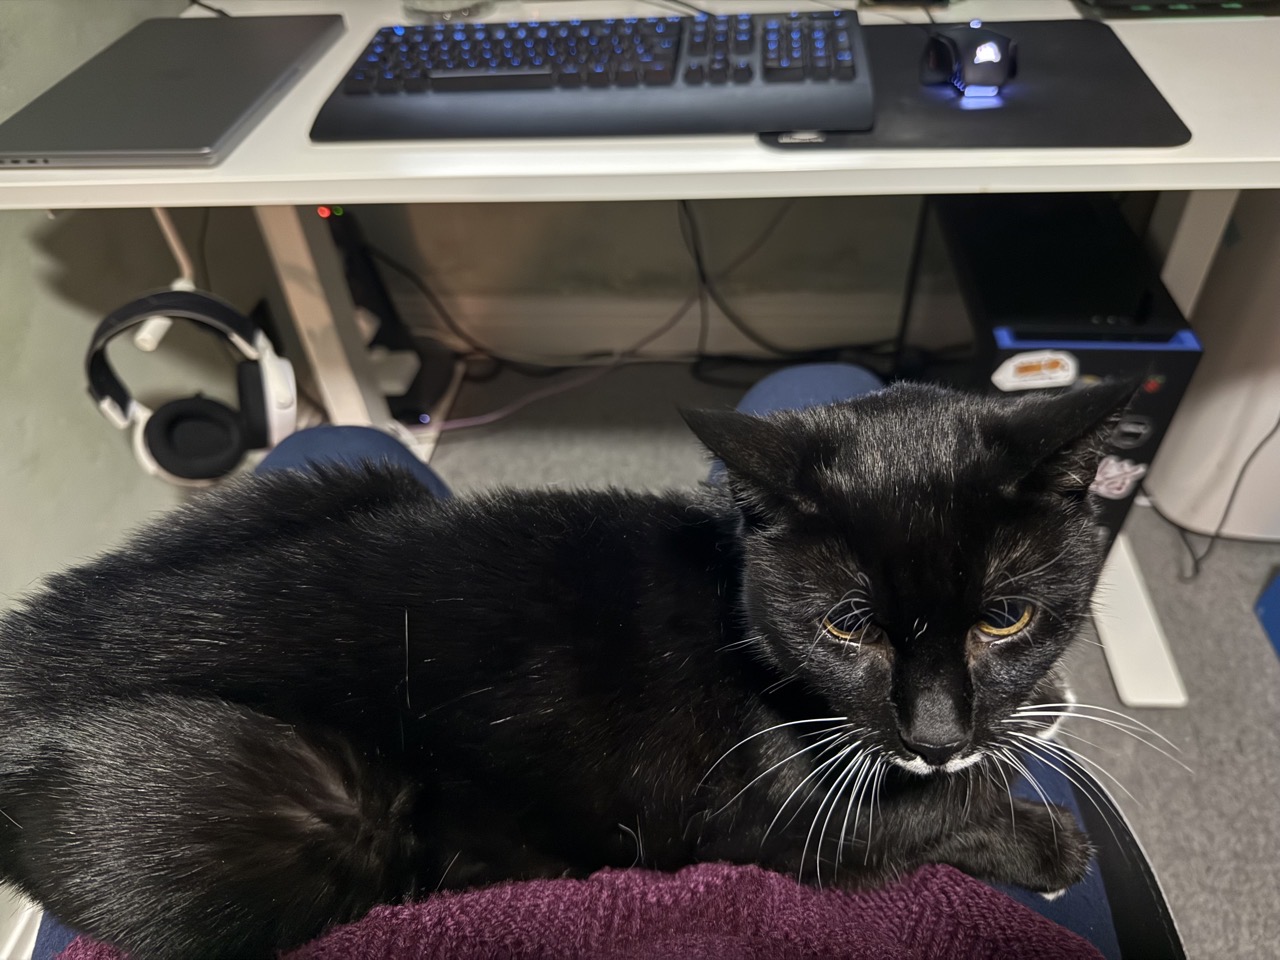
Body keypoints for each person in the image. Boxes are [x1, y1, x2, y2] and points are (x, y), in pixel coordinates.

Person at [31, 364, 1118, 960]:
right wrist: (985, 815)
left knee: (355, 477)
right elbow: (822, 845)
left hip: (282, 615)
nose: (935, 729)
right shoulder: (766, 622)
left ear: (1073, 498)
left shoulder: (797, 565)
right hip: (214, 767)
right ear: (758, 512)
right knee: (276, 822)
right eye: (851, 632)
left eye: (1001, 623)